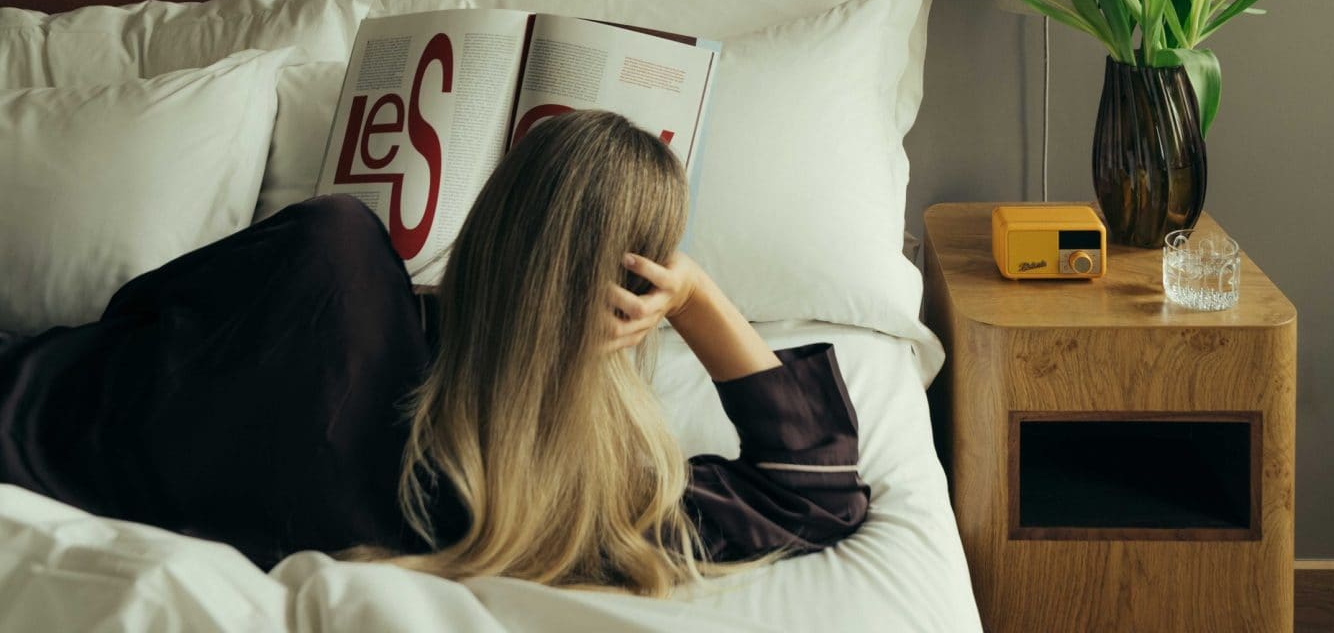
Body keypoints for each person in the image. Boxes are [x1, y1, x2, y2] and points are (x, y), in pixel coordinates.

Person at [0, 110, 868, 597]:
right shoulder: (549, 496)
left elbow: (136, 310)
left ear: (491, 218)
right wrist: (700, 297)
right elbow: (813, 491)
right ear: (640, 286)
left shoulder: (331, 252)